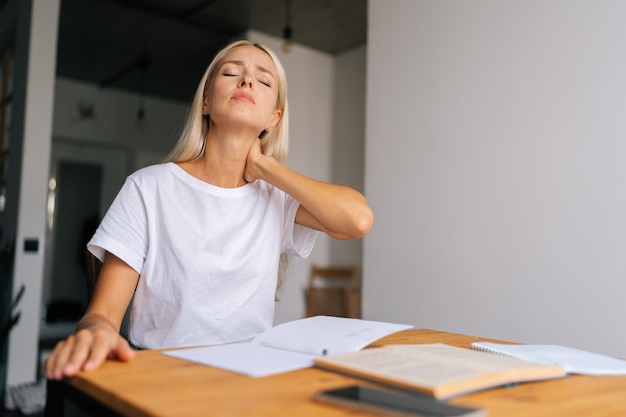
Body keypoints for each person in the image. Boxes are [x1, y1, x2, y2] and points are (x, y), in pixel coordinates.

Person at [45, 40, 373, 380]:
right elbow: (104, 313)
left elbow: (358, 219)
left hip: (249, 378)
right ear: (205, 101)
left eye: (263, 80)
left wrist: (265, 168)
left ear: (274, 118)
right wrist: (97, 330)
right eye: (231, 72)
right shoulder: (149, 188)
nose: (246, 81)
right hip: (163, 375)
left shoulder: (277, 197)